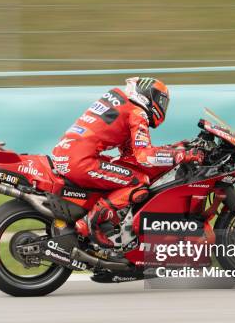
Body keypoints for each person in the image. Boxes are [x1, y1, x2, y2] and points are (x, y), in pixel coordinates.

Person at [52, 77, 204, 249]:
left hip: (67, 154)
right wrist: (182, 156)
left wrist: (176, 147)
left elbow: (130, 153)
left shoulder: (121, 101)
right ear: (148, 96)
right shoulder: (137, 113)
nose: (162, 107)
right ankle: (91, 222)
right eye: (161, 101)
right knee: (139, 181)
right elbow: (144, 157)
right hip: (80, 161)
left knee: (124, 170)